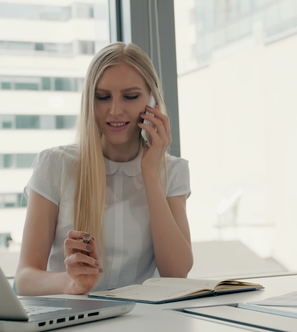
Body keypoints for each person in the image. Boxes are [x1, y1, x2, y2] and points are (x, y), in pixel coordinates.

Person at [15, 42, 192, 296]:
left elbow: (177, 273)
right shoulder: (55, 165)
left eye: (130, 97)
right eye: (103, 97)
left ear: (152, 100)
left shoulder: (172, 172)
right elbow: (25, 278)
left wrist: (150, 171)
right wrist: (71, 283)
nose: (115, 110)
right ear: (90, 100)